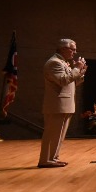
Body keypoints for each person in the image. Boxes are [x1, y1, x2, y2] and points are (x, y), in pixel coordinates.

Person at [39, 38, 87, 168]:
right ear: (63, 49)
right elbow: (63, 81)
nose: (75, 52)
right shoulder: (54, 63)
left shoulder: (63, 62)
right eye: (72, 49)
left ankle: (53, 158)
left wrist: (80, 72)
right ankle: (45, 160)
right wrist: (76, 68)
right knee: (51, 134)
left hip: (64, 104)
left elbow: (70, 82)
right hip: (56, 105)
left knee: (59, 135)